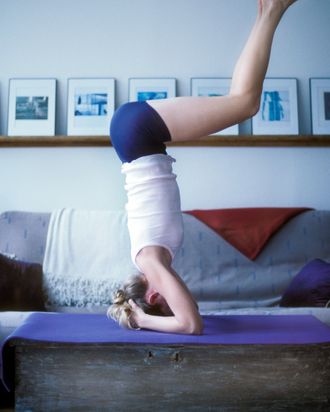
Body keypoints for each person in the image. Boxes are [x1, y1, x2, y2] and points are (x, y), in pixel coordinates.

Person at [108, 0, 297, 334]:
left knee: (245, 103)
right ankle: (268, 11)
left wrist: (142, 320)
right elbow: (191, 314)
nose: (183, 294)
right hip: (135, 136)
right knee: (242, 102)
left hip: (138, 135)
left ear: (155, 294)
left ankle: (273, 9)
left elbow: (191, 323)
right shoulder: (155, 257)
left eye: (169, 300)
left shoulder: (150, 261)